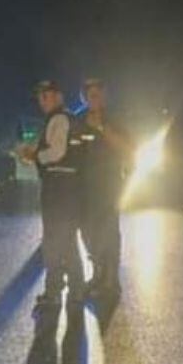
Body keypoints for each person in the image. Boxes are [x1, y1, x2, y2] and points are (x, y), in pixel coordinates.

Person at [16, 80, 86, 310]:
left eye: (46, 96)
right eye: (40, 97)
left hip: (59, 187)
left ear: (58, 97)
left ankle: (54, 291)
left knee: (54, 241)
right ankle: (75, 289)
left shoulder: (59, 119)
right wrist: (34, 154)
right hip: (66, 186)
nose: (42, 101)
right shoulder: (62, 119)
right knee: (66, 240)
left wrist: (34, 156)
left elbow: (57, 152)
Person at [77, 78, 132, 298]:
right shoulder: (77, 120)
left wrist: (102, 129)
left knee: (109, 232)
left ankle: (111, 279)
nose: (94, 98)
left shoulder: (115, 119)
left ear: (104, 96)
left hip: (109, 185)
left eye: (98, 93)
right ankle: (98, 273)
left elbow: (128, 149)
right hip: (83, 188)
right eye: (90, 94)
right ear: (84, 98)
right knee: (87, 232)